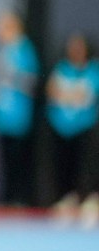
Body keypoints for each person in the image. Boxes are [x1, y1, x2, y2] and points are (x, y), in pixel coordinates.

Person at [46, 31, 99, 224]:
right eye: (72, 47)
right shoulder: (62, 68)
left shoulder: (93, 70)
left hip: (84, 126)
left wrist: (66, 94)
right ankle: (68, 197)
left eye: (79, 47)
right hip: (61, 126)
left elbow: (85, 96)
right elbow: (52, 90)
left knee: (85, 164)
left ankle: (88, 197)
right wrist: (69, 95)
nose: (75, 50)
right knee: (63, 164)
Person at [0, 10, 40, 207]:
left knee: (18, 160)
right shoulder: (3, 51)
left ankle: (19, 198)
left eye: (5, 26)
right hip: (2, 116)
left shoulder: (24, 50)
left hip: (18, 116)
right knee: (5, 161)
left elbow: (32, 81)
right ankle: (7, 197)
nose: (1, 31)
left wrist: (15, 78)